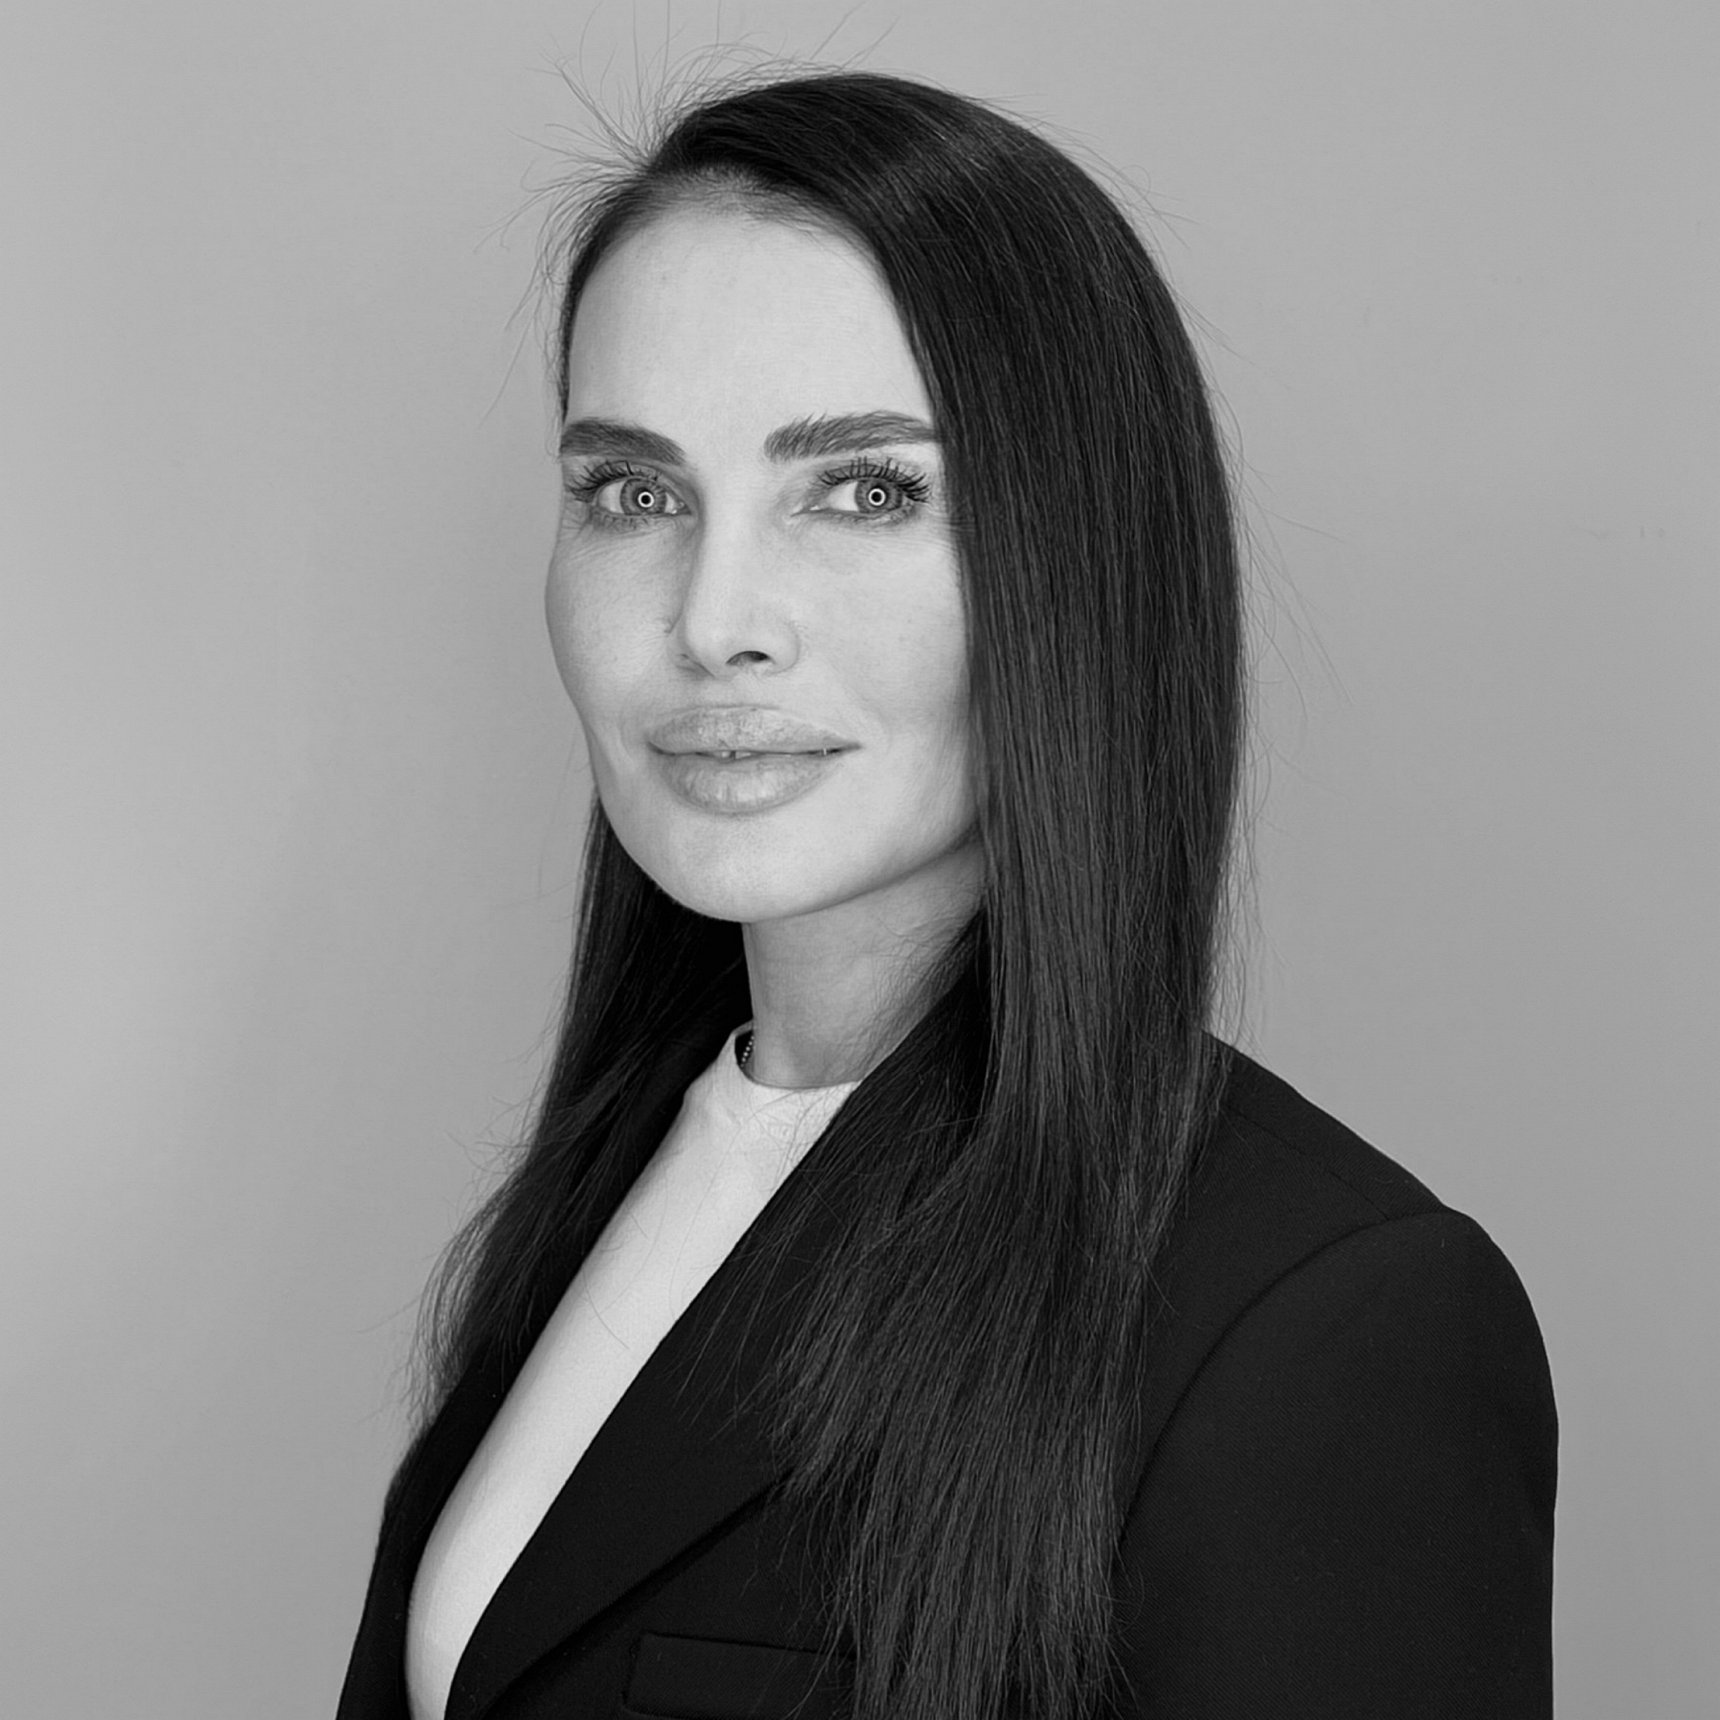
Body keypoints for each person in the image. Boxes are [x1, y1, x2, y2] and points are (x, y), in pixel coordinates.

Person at [336, 67, 1557, 1720]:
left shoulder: (1323, 1321)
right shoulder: (618, 1174)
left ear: (1074, 559)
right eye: (635, 493)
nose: (714, 620)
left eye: (867, 490)